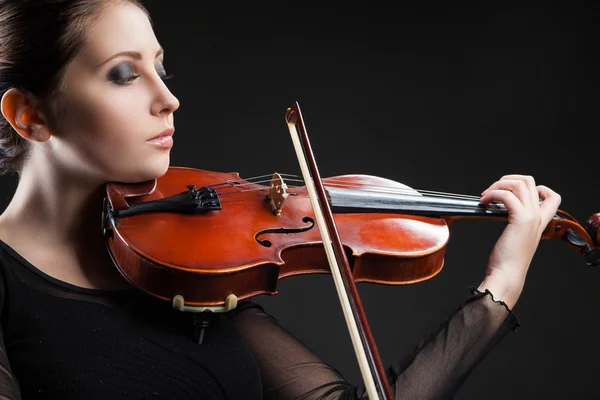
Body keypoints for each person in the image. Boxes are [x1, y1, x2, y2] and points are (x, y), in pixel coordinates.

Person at [0, 1, 562, 399]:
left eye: (160, 68)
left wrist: (503, 281)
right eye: (124, 75)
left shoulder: (191, 265)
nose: (168, 99)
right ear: (30, 115)